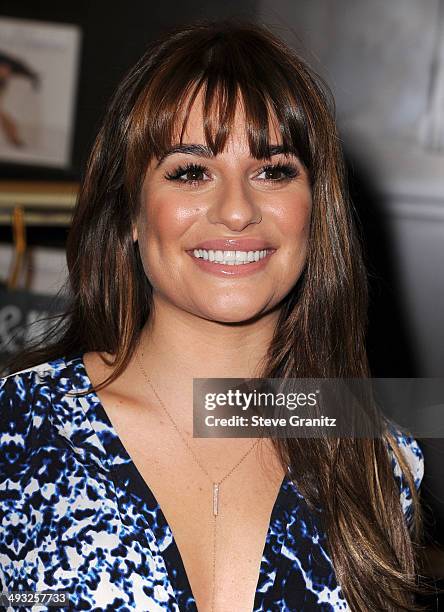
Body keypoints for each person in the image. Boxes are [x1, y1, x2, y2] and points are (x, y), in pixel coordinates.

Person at [0, 18, 424, 611]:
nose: (236, 210)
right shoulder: (17, 430)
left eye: (273, 171)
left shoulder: (378, 461)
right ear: (130, 211)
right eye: (192, 172)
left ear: (315, 210)